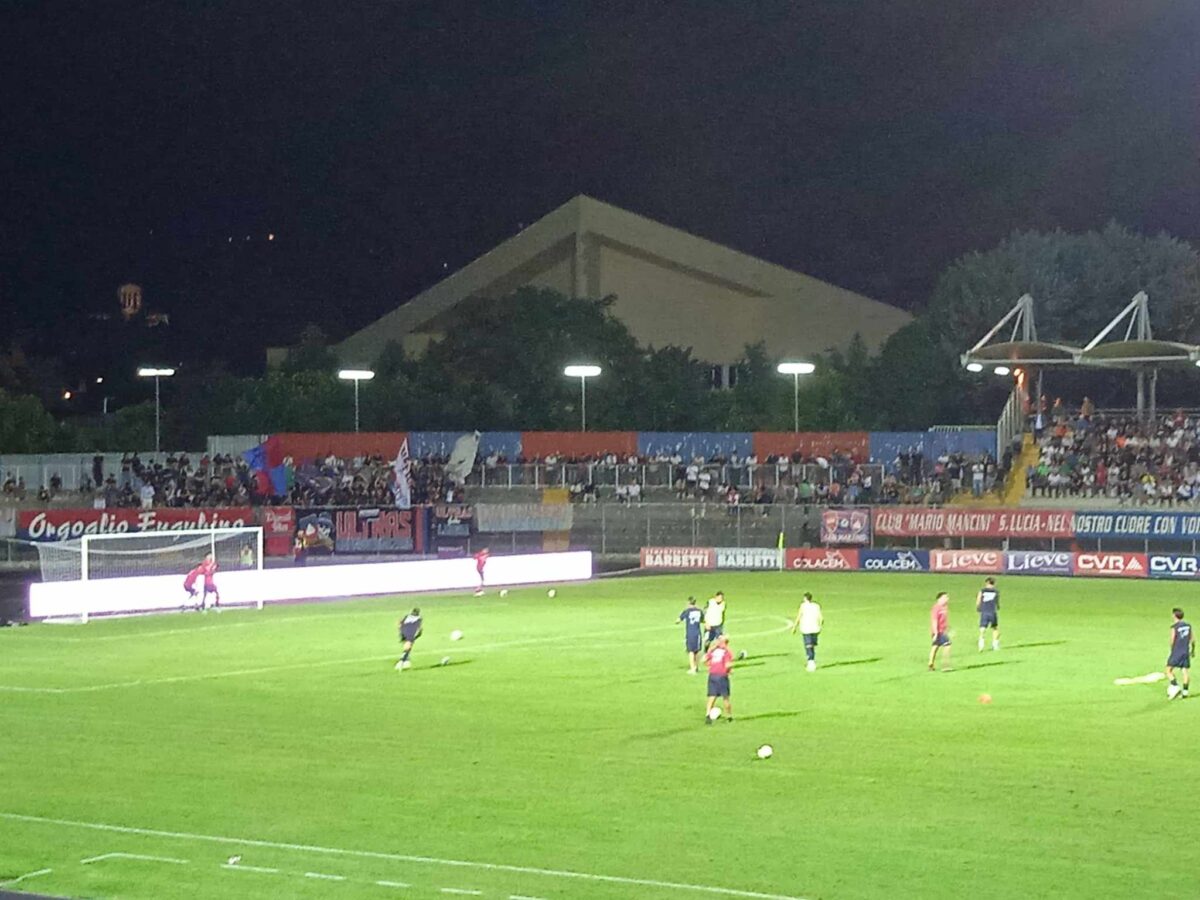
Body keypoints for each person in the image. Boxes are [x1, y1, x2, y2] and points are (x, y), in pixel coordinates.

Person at [704, 635, 734, 724]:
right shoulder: (727, 652)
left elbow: (704, 660)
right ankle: (729, 717)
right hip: (722, 676)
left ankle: (707, 715)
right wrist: (731, 668)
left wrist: (710, 665)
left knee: (712, 696)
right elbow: (727, 665)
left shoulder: (713, 651)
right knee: (725, 697)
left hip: (712, 675)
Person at [791, 592, 823, 671]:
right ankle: (811, 660)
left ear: (805, 598)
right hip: (815, 628)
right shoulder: (816, 605)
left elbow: (799, 616)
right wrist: (820, 627)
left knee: (808, 645)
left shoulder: (803, 606)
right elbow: (821, 618)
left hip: (806, 628)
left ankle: (811, 662)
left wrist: (794, 627)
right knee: (812, 645)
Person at [1166, 607, 1193, 700]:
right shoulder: (1188, 626)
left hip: (1177, 651)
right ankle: (1185, 693)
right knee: (1184, 671)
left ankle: (1175, 686)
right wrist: (1192, 650)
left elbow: (1172, 640)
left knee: (1168, 670)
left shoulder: (1175, 627)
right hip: (1185, 651)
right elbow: (1192, 639)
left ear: (1174, 615)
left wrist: (1172, 650)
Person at [678, 596, 704, 673]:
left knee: (690, 651)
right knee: (697, 651)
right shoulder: (699, 611)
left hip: (690, 633)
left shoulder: (687, 611)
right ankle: (696, 667)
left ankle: (692, 669)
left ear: (688, 603)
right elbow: (703, 620)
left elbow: (678, 620)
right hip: (698, 633)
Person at [928, 591, 951, 671]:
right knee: (947, 646)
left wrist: (947, 628)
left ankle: (930, 664)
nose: (947, 599)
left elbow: (944, 619)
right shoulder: (936, 608)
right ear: (940, 598)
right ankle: (945, 665)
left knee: (935, 646)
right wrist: (936, 633)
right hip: (938, 631)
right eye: (945, 597)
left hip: (943, 631)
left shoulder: (945, 607)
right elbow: (934, 620)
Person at [976, 577, 1000, 652]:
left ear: (987, 583)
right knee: (995, 628)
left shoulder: (982, 591)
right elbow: (997, 602)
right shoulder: (996, 592)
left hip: (984, 611)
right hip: (992, 612)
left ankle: (981, 644)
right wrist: (998, 607)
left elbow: (978, 600)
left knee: (982, 629)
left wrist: (978, 608)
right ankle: (995, 645)